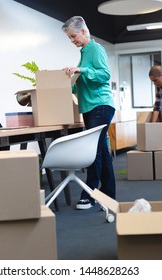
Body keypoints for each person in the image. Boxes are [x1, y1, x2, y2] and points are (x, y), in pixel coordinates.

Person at [62, 16, 116, 209]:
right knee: (101, 150)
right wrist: (68, 81)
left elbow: (104, 75)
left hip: (100, 105)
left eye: (73, 36)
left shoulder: (95, 49)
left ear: (84, 31)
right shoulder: (84, 53)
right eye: (70, 38)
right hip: (90, 106)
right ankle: (109, 194)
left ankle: (89, 194)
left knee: (94, 151)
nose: (72, 40)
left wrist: (82, 70)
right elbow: (83, 84)